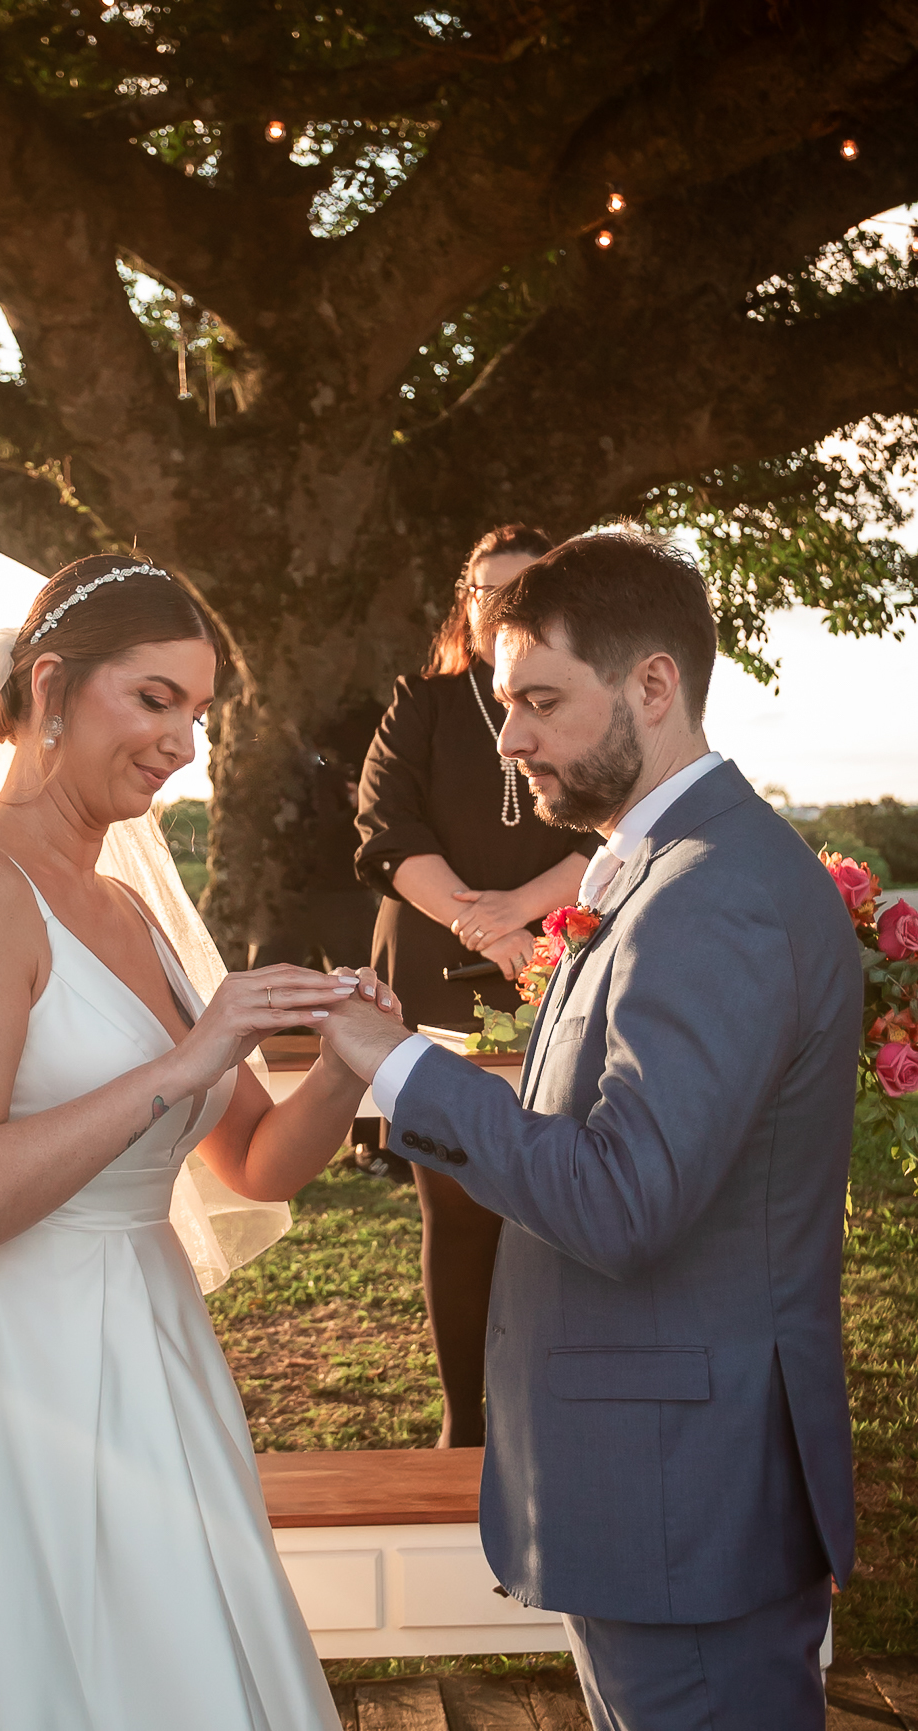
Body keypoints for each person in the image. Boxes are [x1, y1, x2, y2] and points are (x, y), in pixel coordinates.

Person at [0, 554, 400, 1731]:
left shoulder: (131, 908)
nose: (184, 745)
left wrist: (351, 1062)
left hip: (149, 1348)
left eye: (199, 714)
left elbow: (252, 1163)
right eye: (155, 700)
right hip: (1, 1370)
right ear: (50, 686)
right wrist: (183, 1062)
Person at [320, 530, 862, 1731]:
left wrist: (400, 1068)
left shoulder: (710, 891)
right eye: (506, 703)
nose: (508, 741)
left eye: (538, 703)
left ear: (653, 686)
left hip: (685, 1495)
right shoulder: (658, 865)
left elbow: (624, 1202)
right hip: (659, 1490)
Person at [354, 524, 596, 1447]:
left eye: (528, 591)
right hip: (433, 974)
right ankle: (465, 1424)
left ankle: (549, 1421)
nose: (507, 609)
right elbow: (384, 828)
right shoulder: (422, 703)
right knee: (453, 1211)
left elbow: (613, 829)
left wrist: (525, 920)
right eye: (491, 594)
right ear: (468, 607)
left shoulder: (589, 703)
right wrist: (477, 922)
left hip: (561, 965)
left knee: (553, 1211)